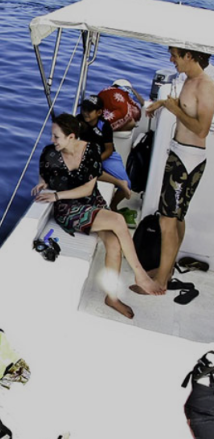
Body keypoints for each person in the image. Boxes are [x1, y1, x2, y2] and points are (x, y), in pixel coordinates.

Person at [32, 113, 165, 318]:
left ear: (72, 137)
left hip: (91, 202)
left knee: (113, 244)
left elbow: (87, 189)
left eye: (56, 136)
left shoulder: (91, 150)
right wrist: (42, 182)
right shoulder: (50, 153)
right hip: (68, 209)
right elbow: (45, 171)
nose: (52, 140)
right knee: (118, 219)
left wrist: (56, 194)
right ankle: (140, 275)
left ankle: (111, 297)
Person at [144, 46, 214, 292]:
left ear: (190, 56)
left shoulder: (205, 85)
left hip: (186, 160)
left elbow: (202, 129)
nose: (170, 59)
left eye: (174, 55)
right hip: (181, 156)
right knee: (177, 217)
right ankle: (167, 269)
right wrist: (162, 103)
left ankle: (161, 281)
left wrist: (173, 109)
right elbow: (184, 106)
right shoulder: (189, 79)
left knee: (167, 220)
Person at [78, 95, 133, 211]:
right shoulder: (78, 120)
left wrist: (96, 160)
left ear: (99, 112)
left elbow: (109, 150)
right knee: (86, 171)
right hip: (88, 154)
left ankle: (113, 205)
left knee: (128, 184)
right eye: (83, 109)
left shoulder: (105, 126)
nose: (85, 113)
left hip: (108, 156)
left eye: (89, 110)